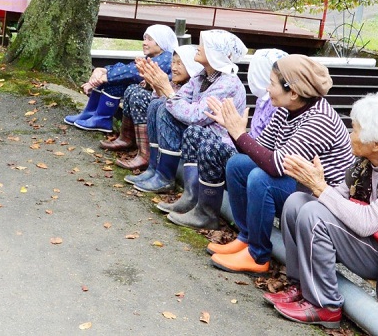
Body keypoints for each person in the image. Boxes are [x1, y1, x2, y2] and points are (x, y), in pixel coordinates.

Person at [268, 92, 378, 329]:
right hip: (370, 242)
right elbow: (335, 198)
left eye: (354, 130)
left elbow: (367, 223)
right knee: (296, 203)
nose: (349, 135)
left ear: (376, 144)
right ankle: (299, 285)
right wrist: (316, 186)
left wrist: (320, 187)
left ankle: (326, 305)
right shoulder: (365, 162)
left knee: (314, 214)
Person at [205, 55, 355, 274]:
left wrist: (239, 133)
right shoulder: (287, 109)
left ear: (293, 92)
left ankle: (258, 255)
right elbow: (258, 151)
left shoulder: (319, 120)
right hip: (297, 184)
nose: (267, 89)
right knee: (238, 165)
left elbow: (275, 166)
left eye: (272, 84)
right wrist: (234, 130)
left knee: (261, 179)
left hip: (320, 201)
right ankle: (246, 238)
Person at [160, 48, 288, 224]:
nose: (197, 48)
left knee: (210, 145)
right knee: (192, 132)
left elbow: (195, 115)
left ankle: (208, 214)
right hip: (245, 148)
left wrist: (236, 132)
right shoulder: (263, 100)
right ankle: (191, 197)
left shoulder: (273, 104)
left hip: (251, 156)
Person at [133, 30, 248, 195]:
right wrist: (159, 86)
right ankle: (155, 169)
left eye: (204, 45)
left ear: (218, 53)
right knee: (159, 105)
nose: (198, 48)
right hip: (195, 132)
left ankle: (167, 178)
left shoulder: (228, 83)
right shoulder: (201, 76)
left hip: (216, 142)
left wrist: (167, 89)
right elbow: (179, 98)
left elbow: (196, 116)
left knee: (168, 109)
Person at [65, 25, 178, 133]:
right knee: (113, 79)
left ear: (161, 41)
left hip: (158, 96)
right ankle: (91, 114)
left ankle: (101, 118)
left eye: (149, 39)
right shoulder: (154, 57)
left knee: (116, 81)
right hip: (147, 91)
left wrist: (105, 77)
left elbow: (133, 72)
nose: (144, 43)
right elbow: (128, 67)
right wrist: (103, 70)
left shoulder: (166, 57)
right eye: (144, 39)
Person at [109, 44, 203, 173]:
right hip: (166, 128)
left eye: (179, 64)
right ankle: (128, 140)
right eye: (173, 63)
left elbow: (178, 109)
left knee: (141, 97)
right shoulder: (176, 83)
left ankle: (146, 155)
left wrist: (162, 88)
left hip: (183, 136)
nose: (174, 68)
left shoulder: (193, 87)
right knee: (133, 90)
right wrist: (152, 82)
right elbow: (159, 99)